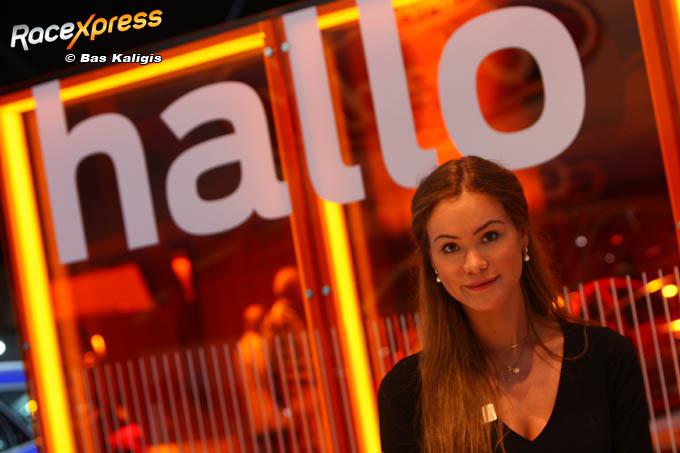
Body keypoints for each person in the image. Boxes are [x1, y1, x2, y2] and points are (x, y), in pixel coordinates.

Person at [377, 156, 653, 452]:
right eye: (450, 247)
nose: (474, 263)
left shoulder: (605, 357)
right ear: (432, 261)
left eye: (489, 236)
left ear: (522, 235)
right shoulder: (407, 393)